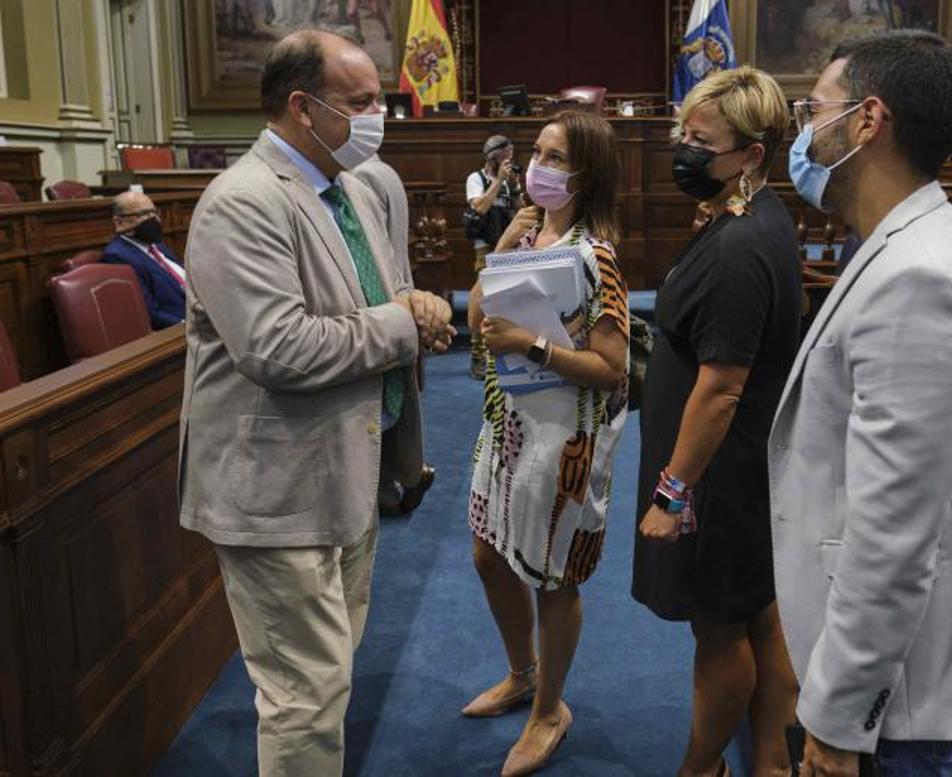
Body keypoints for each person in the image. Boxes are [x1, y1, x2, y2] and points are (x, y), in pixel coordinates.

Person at [178, 30, 454, 777]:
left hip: (351, 464)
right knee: (305, 692)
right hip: (276, 487)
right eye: (360, 103)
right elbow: (278, 348)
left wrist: (416, 303)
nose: (378, 117)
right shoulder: (242, 202)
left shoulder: (354, 187)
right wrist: (404, 324)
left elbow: (383, 291)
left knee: (332, 666)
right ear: (303, 107)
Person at [774, 30, 952, 777]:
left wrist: (839, 720)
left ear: (867, 122)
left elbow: (894, 535)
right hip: (881, 684)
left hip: (889, 707)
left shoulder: (922, 277)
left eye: (815, 110)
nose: (804, 131)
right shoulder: (899, 244)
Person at [633, 67, 803, 777]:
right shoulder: (748, 216)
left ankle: (701, 767)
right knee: (758, 611)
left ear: (751, 155)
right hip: (736, 462)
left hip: (715, 473)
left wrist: (672, 494)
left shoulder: (739, 246)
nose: (684, 150)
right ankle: (772, 762)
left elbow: (721, 388)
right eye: (684, 134)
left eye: (701, 142)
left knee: (720, 627)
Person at [464, 109, 628, 777]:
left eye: (555, 157)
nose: (537, 166)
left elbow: (612, 368)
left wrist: (531, 344)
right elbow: (477, 316)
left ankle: (549, 708)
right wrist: (505, 243)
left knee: (553, 577)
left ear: (586, 172)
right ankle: (521, 671)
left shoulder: (596, 257)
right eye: (537, 151)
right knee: (488, 553)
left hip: (564, 438)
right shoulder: (528, 234)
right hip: (507, 422)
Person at [353, 153, 437, 516]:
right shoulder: (383, 170)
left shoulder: (361, 178)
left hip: (385, 299)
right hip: (398, 289)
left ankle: (394, 483)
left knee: (383, 401)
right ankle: (399, 481)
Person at [466, 134, 521, 378]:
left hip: (508, 245)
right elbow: (479, 207)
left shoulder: (509, 182)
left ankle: (501, 350)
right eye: (506, 157)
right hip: (486, 246)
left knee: (508, 299)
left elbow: (522, 211)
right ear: (493, 157)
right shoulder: (475, 179)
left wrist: (515, 187)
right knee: (483, 298)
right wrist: (498, 181)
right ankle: (478, 352)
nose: (510, 161)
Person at [102, 191, 186, 330]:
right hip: (179, 328)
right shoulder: (117, 256)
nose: (153, 219)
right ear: (119, 222)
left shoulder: (157, 245)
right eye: (143, 214)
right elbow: (150, 313)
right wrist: (188, 326)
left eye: (154, 212)